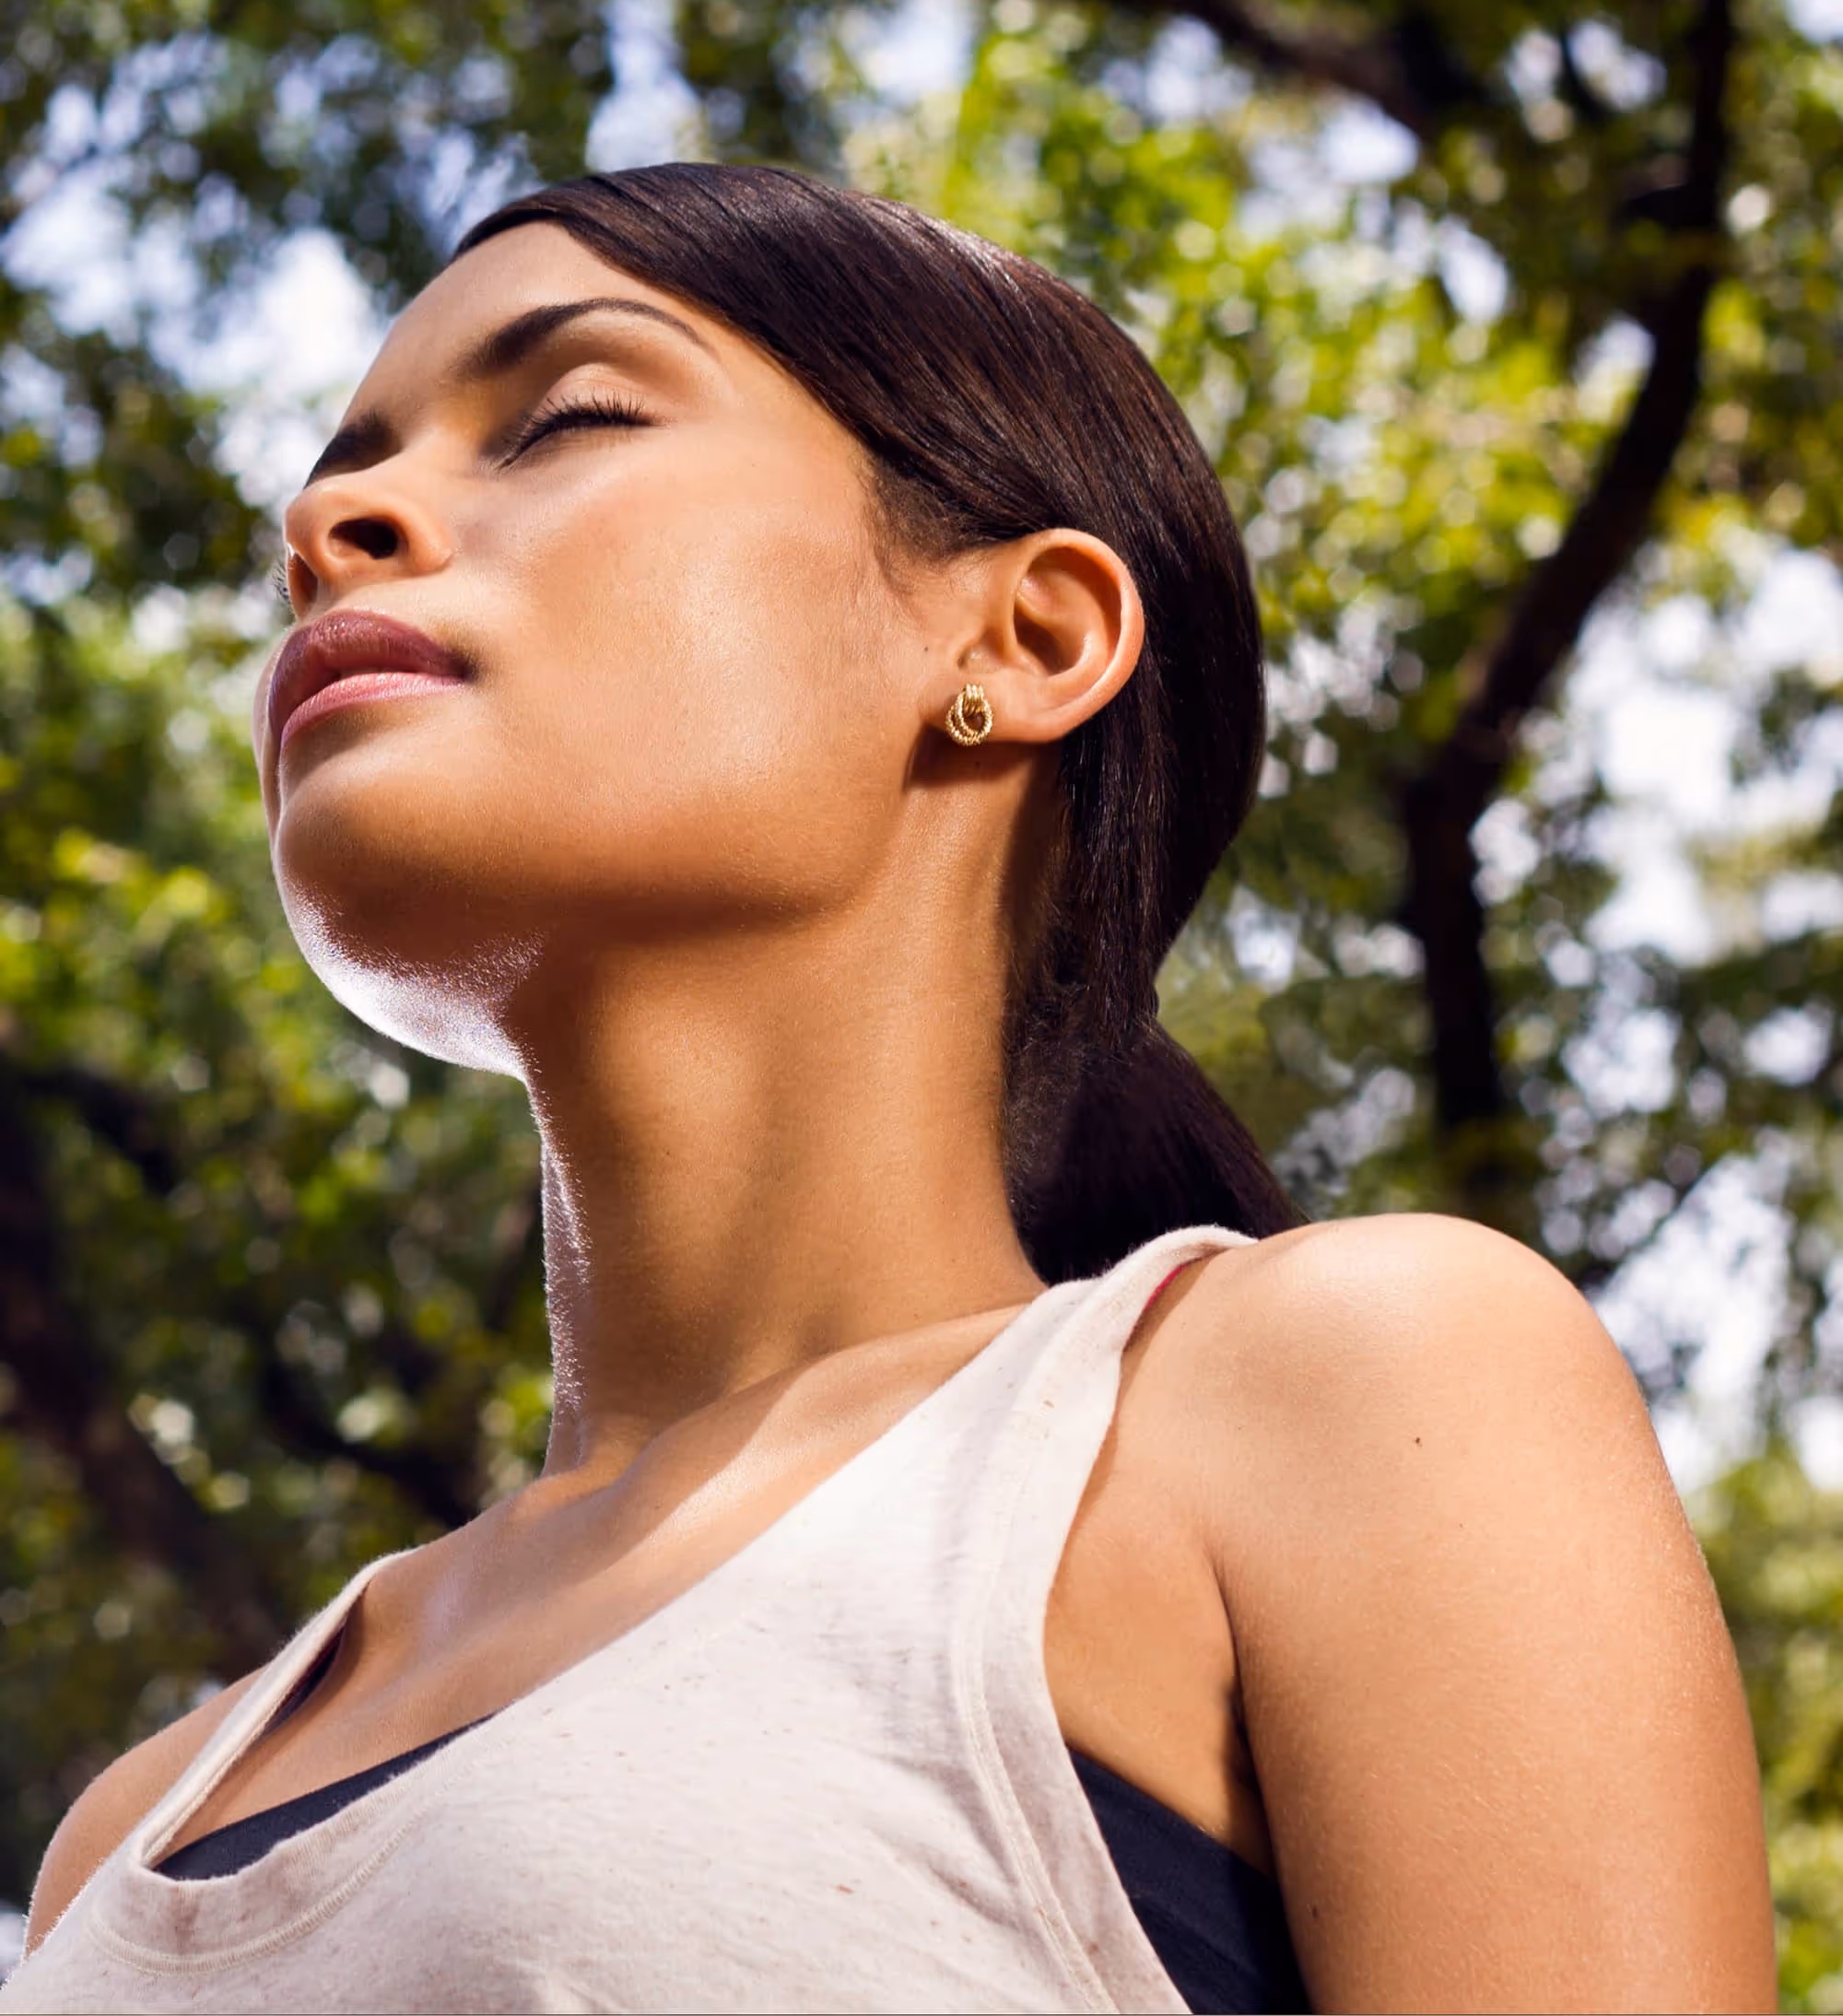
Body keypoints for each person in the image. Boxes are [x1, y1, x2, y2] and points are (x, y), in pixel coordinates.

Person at [6, 165, 1776, 2014]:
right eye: (345, 463)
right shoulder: (133, 1830)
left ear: (1021, 639)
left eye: (562, 417)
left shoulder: (1347, 1386)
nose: (328, 516)